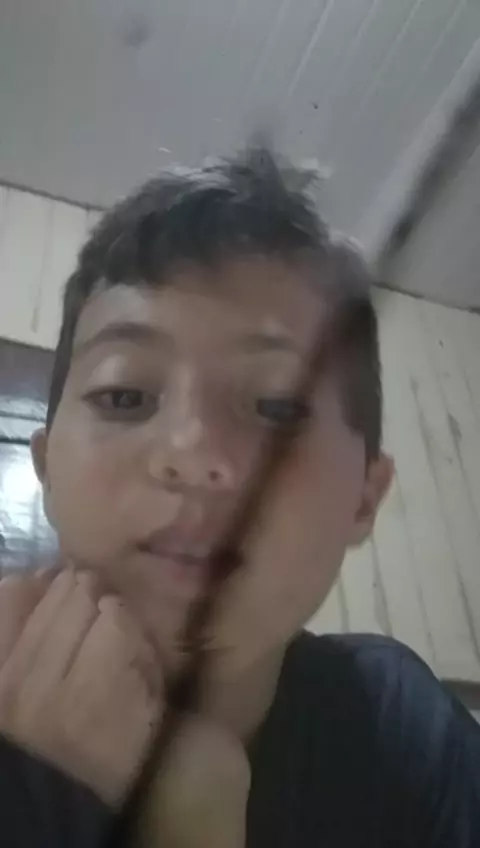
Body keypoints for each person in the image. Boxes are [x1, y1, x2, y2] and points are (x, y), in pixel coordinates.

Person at [0, 145, 479, 848]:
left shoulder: (400, 723)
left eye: (279, 408)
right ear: (46, 469)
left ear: (363, 498)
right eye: (125, 395)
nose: (193, 456)